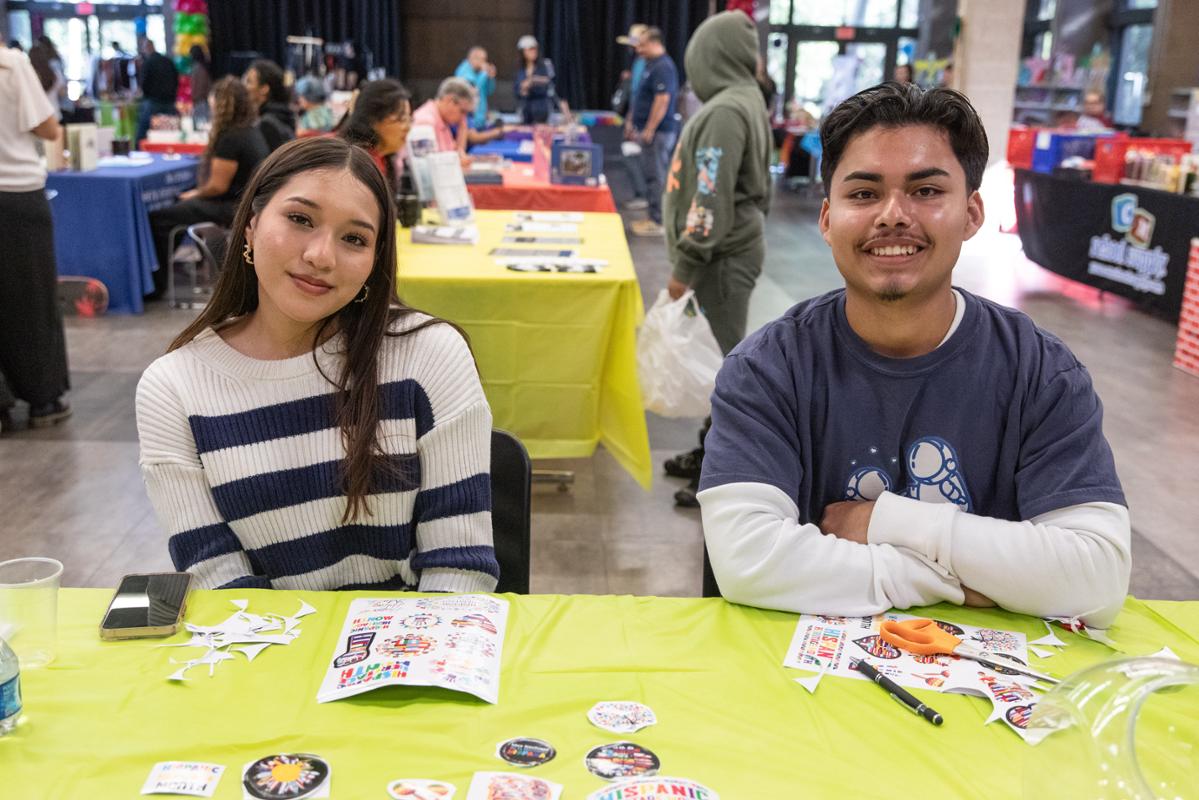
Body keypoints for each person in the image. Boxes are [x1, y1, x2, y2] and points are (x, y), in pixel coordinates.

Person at [698, 82, 1131, 627]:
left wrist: (887, 522)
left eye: (926, 191)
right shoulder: (767, 369)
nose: (893, 215)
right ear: (828, 219)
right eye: (863, 194)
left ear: (973, 213)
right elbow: (747, 561)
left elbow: (1096, 579)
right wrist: (952, 579)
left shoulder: (1040, 373)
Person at [136, 137, 499, 592]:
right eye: (300, 219)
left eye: (354, 238)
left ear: (374, 260)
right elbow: (220, 584)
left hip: (413, 649)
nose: (320, 257)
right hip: (266, 652)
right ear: (249, 227)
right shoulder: (173, 387)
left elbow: (459, 571)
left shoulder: (429, 355)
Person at [659, 11, 771, 507]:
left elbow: (710, 196)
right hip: (726, 253)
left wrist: (686, 265)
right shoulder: (743, 100)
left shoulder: (727, 110)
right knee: (723, 364)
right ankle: (709, 448)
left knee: (729, 370)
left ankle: (723, 470)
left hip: (720, 257)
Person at [0, 45, 71, 430]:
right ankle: (44, 400)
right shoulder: (11, 64)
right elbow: (48, 128)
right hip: (17, 194)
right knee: (31, 300)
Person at [148, 77, 270, 294]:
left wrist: (193, 194)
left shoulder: (231, 138)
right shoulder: (251, 131)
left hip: (232, 206)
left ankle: (157, 284)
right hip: (246, 203)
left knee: (160, 218)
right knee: (178, 210)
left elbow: (217, 187)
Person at [628, 27, 680, 237]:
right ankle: (653, 216)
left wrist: (649, 128)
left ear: (654, 43)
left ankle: (658, 221)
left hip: (659, 132)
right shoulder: (651, 65)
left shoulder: (663, 67)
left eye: (642, 44)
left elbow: (662, 100)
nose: (638, 49)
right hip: (650, 131)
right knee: (651, 174)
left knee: (655, 176)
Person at [339, 78, 413, 190]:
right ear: (373, 120)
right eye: (401, 119)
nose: (408, 127)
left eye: (409, 118)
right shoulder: (355, 166)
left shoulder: (382, 159)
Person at [616, 24, 649, 212]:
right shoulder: (639, 63)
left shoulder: (648, 64)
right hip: (636, 118)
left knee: (636, 157)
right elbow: (635, 96)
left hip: (642, 122)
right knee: (631, 155)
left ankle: (643, 195)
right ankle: (641, 195)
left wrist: (636, 124)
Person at [411, 76, 475, 159]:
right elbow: (425, 165)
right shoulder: (425, 122)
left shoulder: (442, 121)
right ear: (449, 101)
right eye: (462, 111)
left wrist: (462, 129)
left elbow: (458, 156)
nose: (464, 118)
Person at [243, 59, 295, 152]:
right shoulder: (283, 114)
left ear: (264, 89)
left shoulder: (267, 124)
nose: (244, 86)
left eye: (249, 81)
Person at [135, 36, 179, 145]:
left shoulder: (148, 63)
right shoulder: (168, 61)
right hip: (169, 103)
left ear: (146, 48)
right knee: (171, 134)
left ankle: (139, 153)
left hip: (153, 102)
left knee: (143, 133)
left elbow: (144, 83)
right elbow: (176, 79)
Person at [515, 35, 569, 124]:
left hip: (543, 109)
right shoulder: (520, 70)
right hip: (526, 111)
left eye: (534, 48)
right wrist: (523, 89)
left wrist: (533, 80)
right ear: (523, 51)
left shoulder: (546, 64)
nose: (533, 51)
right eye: (530, 49)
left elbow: (552, 83)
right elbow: (517, 90)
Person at [455, 46, 496, 130]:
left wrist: (491, 78)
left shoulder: (479, 72)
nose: (484, 62)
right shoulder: (463, 71)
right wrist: (484, 73)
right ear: (472, 58)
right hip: (468, 121)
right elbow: (473, 91)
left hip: (481, 120)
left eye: (485, 59)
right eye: (482, 59)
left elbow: (489, 91)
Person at [188, 45, 212, 125]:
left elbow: (198, 87)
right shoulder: (203, 67)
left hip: (201, 102)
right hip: (202, 101)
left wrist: (194, 98)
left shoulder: (198, 68)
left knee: (201, 125)